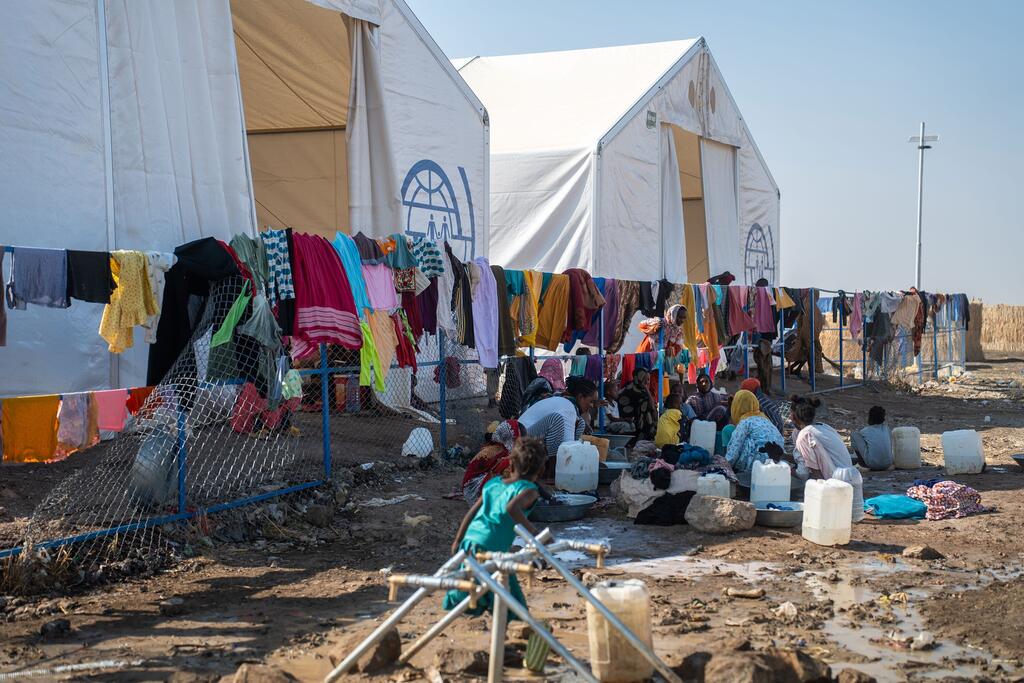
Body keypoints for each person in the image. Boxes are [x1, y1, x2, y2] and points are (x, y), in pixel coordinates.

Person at [444, 437, 547, 616]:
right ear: (540, 470)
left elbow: (472, 513)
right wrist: (536, 534)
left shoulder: (493, 484)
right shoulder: (528, 490)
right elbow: (512, 508)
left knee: (475, 589)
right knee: (512, 603)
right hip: (491, 547)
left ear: (511, 464)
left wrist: (458, 540)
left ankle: (496, 626)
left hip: (470, 541)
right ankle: (515, 627)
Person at [518, 378, 598, 458]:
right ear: (581, 397)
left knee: (581, 423)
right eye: (591, 402)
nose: (592, 406)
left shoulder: (564, 401)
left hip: (529, 438)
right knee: (557, 420)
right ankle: (552, 464)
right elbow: (567, 447)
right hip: (519, 441)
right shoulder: (569, 408)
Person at [458, 420, 524, 503]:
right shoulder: (498, 450)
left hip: (479, 483)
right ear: (509, 437)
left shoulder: (501, 447)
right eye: (516, 439)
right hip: (473, 488)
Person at [789, 395, 852, 479]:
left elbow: (803, 474)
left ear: (793, 416)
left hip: (836, 481)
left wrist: (784, 469)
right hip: (850, 476)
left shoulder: (805, 435)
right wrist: (783, 456)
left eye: (790, 414)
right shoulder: (824, 427)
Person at [724, 390, 784, 474]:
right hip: (777, 461)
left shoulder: (745, 422)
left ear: (737, 406)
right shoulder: (766, 420)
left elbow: (734, 449)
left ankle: (743, 470)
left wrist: (725, 466)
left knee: (739, 441)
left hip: (756, 467)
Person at [617, 367, 657, 441]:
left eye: (648, 379)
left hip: (642, 420)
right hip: (633, 421)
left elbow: (652, 406)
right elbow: (651, 406)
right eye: (644, 379)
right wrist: (646, 389)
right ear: (638, 378)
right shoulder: (629, 390)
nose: (647, 382)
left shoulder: (642, 390)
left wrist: (646, 389)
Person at [851, 406, 894, 471]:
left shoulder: (865, 431)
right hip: (888, 463)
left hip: (873, 464)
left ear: (870, 418)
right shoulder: (886, 429)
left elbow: (859, 443)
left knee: (854, 435)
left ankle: (862, 464)